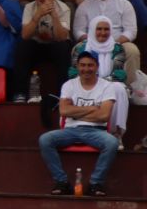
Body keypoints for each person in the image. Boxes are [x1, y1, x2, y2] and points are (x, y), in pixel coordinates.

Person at [39, 51, 125, 196]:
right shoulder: (69, 85)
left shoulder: (107, 86)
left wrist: (76, 112)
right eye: (82, 65)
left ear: (97, 67)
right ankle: (62, 182)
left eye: (90, 65)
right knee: (45, 140)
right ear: (77, 66)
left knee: (112, 143)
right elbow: (64, 111)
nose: (86, 69)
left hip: (96, 131)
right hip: (70, 130)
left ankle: (95, 183)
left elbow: (104, 115)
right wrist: (92, 109)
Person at [11, 0, 76, 104]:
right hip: (37, 46)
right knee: (23, 46)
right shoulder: (30, 7)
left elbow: (62, 37)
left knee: (63, 47)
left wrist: (54, 16)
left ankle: (62, 95)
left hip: (55, 46)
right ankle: (20, 93)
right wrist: (37, 15)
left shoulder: (63, 8)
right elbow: (25, 35)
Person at [72, 0, 141, 79]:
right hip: (91, 42)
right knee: (78, 48)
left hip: (118, 42)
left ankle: (130, 90)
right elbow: (78, 30)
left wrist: (114, 43)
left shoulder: (124, 4)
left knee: (132, 50)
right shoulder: (84, 5)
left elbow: (131, 30)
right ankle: (82, 89)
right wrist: (92, 42)